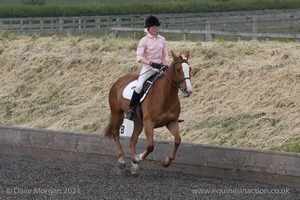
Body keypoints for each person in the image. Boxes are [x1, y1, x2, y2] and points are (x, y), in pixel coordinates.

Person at [126, 15, 168, 120]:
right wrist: (151, 63)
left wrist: (166, 64)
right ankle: (131, 110)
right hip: (148, 69)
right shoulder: (144, 40)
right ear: (148, 28)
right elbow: (139, 57)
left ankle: (171, 111)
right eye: (152, 27)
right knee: (139, 86)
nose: (154, 28)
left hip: (161, 68)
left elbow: (165, 55)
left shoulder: (162, 39)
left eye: (156, 26)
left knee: (171, 84)